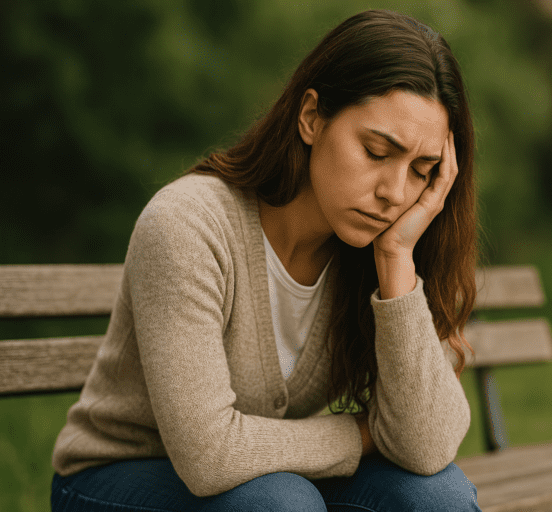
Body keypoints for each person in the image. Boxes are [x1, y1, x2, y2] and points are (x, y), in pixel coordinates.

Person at [50, 9, 481, 512]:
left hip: (268, 476)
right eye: (376, 151)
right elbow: (208, 454)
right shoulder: (188, 224)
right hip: (115, 478)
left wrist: (397, 259)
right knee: (283, 503)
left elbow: (426, 449)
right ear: (312, 118)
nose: (395, 192)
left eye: (422, 171)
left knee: (438, 498)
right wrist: (361, 435)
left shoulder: (377, 251)